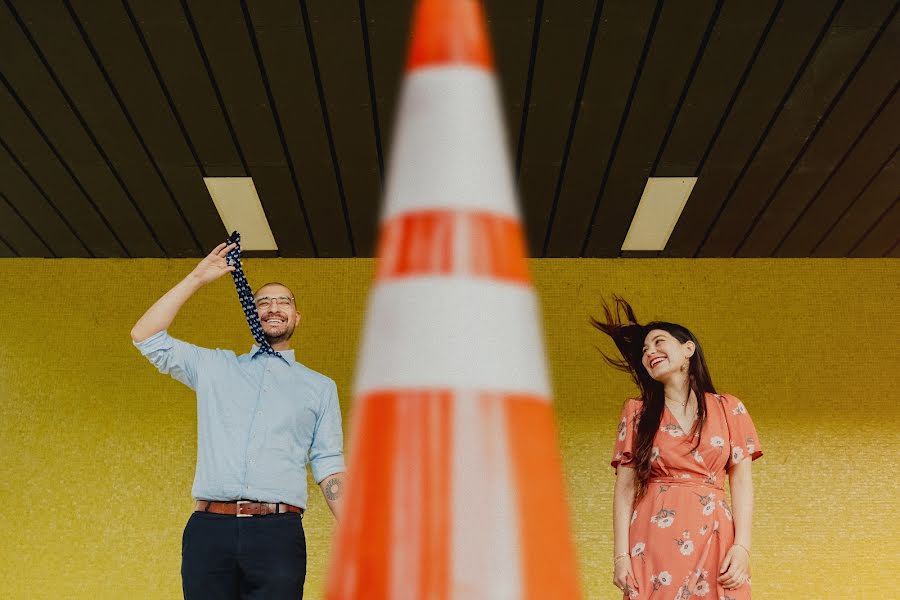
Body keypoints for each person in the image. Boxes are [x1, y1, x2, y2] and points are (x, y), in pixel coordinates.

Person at [130, 241, 346, 599]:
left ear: (296, 317)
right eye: (263, 301)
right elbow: (146, 336)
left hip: (278, 532)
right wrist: (198, 277)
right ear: (251, 312)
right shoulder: (215, 367)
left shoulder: (320, 388)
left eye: (284, 302)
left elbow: (329, 463)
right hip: (209, 529)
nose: (273, 307)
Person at [593, 298, 762, 600]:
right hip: (653, 538)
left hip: (716, 535)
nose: (650, 352)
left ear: (688, 349)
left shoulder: (728, 408)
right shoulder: (637, 412)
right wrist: (621, 557)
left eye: (659, 342)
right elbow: (624, 489)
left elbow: (741, 481)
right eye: (644, 350)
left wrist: (743, 546)